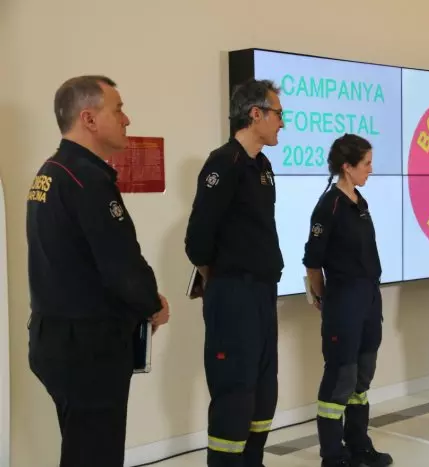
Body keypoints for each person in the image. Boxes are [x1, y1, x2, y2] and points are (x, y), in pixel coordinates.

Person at [26, 75, 170, 467]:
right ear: (89, 119)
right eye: (118, 108)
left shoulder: (52, 171)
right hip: (88, 345)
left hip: (55, 337)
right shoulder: (86, 179)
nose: (127, 119)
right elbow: (120, 264)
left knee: (81, 448)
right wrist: (152, 302)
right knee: (95, 454)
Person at [185, 78, 285, 467]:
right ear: (255, 113)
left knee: (263, 393)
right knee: (234, 392)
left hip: (261, 293)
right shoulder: (222, 163)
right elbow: (198, 241)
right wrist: (219, 281)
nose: (282, 123)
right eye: (278, 114)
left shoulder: (262, 165)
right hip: (233, 295)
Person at [303, 134, 393, 467]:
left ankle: (359, 446)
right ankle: (332, 455)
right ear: (347, 166)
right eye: (366, 163)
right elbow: (313, 261)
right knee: (341, 378)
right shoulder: (329, 206)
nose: (371, 169)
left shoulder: (359, 201)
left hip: (369, 299)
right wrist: (325, 298)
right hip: (344, 302)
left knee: (362, 377)